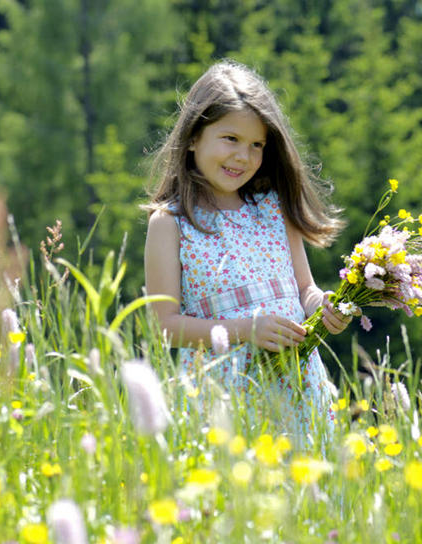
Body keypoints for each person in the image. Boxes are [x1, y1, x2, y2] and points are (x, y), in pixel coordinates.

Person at [143, 60, 350, 441]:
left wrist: (323, 306)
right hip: (223, 396)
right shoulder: (170, 224)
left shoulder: (274, 208)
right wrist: (245, 330)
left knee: (308, 494)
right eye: (231, 140)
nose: (244, 157)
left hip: (300, 391)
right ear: (193, 137)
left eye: (257, 145)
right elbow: (164, 327)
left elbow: (304, 289)